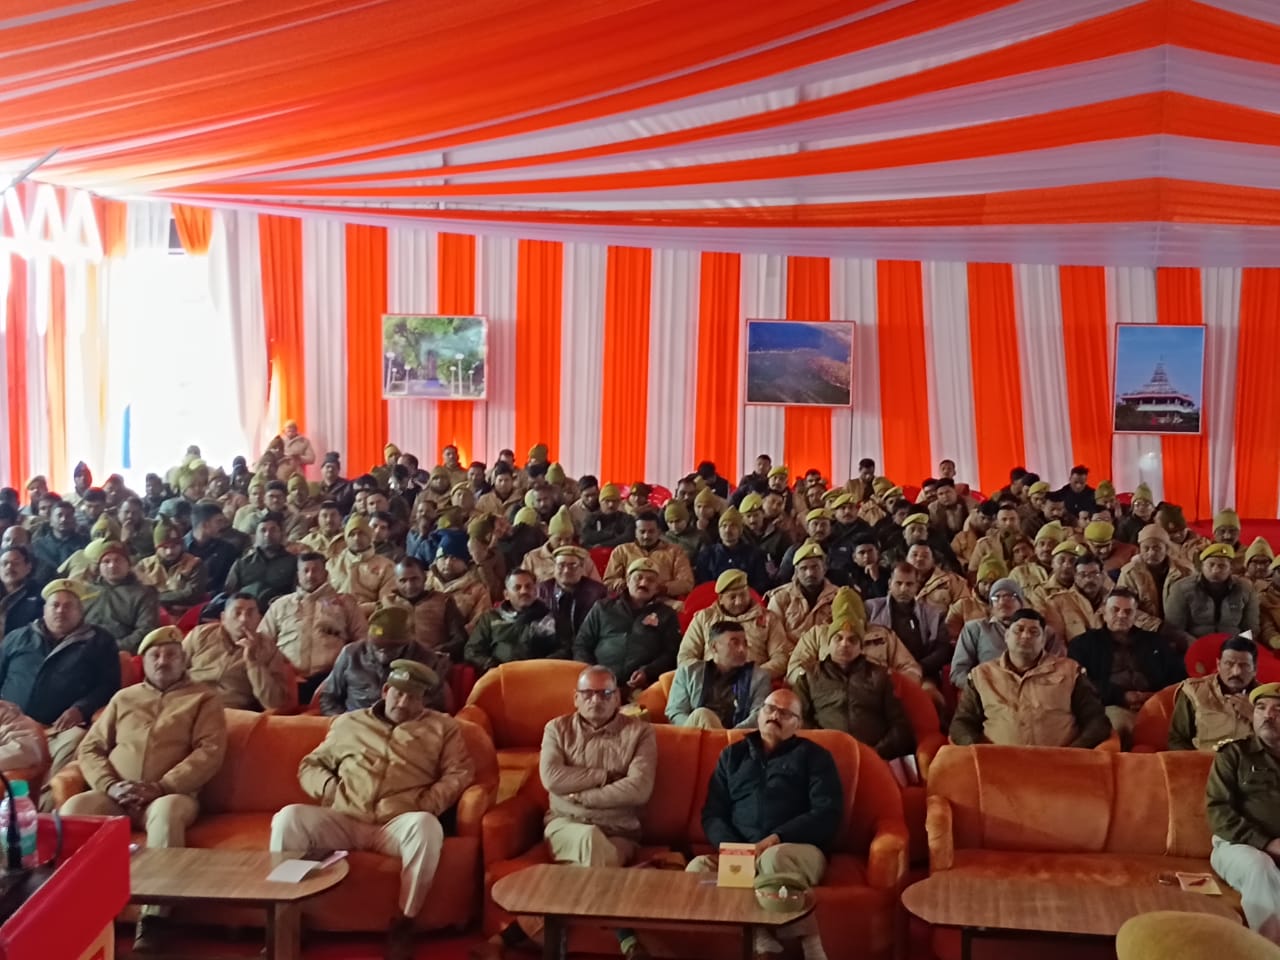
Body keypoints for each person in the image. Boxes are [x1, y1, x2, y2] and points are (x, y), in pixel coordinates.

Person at [271, 660, 474, 960]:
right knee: (289, 818)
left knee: (427, 827)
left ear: (423, 699)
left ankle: (405, 922)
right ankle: (285, 918)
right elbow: (311, 765)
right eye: (399, 694)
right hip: (345, 819)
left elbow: (459, 773)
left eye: (413, 697)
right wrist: (329, 789)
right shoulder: (350, 723)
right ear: (386, 690)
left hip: (396, 824)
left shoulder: (443, 728)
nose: (403, 703)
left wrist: (427, 804)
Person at [62, 625, 227, 951]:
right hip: (116, 795)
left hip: (171, 795)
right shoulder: (124, 698)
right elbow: (90, 748)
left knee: (166, 815)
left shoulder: (203, 699)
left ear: (183, 660)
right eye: (155, 655)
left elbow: (209, 752)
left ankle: (155, 918)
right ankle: (79, 908)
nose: (163, 661)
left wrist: (162, 786)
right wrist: (109, 786)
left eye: (171, 655)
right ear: (145, 662)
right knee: (74, 810)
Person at [481, 665, 656, 960]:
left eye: (605, 693)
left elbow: (638, 789)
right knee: (589, 839)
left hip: (619, 832)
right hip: (565, 825)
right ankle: (626, 937)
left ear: (617, 697)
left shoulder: (640, 732)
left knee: (587, 863)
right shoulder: (557, 729)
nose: (595, 700)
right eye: (588, 693)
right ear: (575, 698)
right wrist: (604, 776)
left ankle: (511, 937)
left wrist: (581, 796)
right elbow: (552, 778)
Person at [689, 688, 840, 960]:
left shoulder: (816, 757)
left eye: (785, 713)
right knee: (696, 869)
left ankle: (811, 947)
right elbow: (712, 813)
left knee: (773, 859)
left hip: (795, 849)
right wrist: (733, 849)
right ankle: (759, 933)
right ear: (758, 715)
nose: (774, 716)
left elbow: (826, 813)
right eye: (769, 709)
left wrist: (776, 838)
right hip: (741, 851)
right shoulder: (732, 756)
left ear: (798, 724)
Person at [950, 609, 1111, 748]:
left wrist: (1074, 753)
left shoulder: (1070, 671)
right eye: (1018, 630)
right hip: (996, 765)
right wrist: (980, 752)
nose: (1026, 636)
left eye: (1034, 632)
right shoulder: (982, 675)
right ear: (1006, 636)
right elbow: (962, 723)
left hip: (1059, 765)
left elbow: (1096, 721)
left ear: (1043, 640)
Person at [1205, 683, 1280, 943]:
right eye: (1261, 708)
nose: (1268, 715)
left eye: (1278, 710)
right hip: (1238, 846)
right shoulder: (1234, 754)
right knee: (1259, 866)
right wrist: (1267, 843)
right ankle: (1268, 951)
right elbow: (1218, 811)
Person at [1067, 589, 1185, 746]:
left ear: (1135, 615)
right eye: (1115, 610)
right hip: (1111, 705)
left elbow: (1178, 676)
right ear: (1103, 612)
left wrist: (1157, 696)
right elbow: (1081, 685)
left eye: (1128, 611)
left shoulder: (1156, 642)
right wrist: (1122, 696)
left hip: (1157, 702)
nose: (1122, 615)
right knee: (1120, 725)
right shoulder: (1083, 644)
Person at [792, 609, 914, 760]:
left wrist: (876, 753)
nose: (845, 644)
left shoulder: (880, 676)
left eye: (852, 640)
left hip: (874, 758)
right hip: (824, 758)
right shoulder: (810, 677)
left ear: (861, 647)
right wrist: (822, 749)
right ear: (828, 643)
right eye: (838, 638)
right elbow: (798, 721)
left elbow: (900, 726)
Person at [260, 553, 367, 703]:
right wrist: (280, 670)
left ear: (326, 573)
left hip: (331, 680)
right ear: (298, 575)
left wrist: (342, 672)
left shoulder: (345, 603)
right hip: (285, 680)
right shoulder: (280, 605)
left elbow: (362, 640)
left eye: (316, 570)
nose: (310, 575)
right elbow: (262, 643)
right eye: (305, 570)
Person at [574, 558, 681, 698]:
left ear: (657, 587)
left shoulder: (667, 614)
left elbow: (672, 653)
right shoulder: (602, 608)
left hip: (645, 687)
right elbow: (581, 645)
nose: (643, 583)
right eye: (638, 578)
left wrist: (648, 672)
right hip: (599, 684)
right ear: (628, 580)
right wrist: (594, 673)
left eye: (650, 580)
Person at [319, 606, 449, 715]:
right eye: (377, 647)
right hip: (356, 723)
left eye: (391, 649)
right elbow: (328, 697)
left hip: (405, 725)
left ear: (407, 643)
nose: (383, 654)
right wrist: (342, 721)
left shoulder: (427, 659)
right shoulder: (351, 654)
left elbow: (435, 706)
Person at [183, 592, 296, 711]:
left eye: (250, 613)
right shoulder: (201, 634)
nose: (244, 619)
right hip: (189, 703)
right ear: (223, 618)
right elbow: (175, 671)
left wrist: (254, 663)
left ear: (259, 619)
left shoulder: (268, 649)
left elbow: (275, 703)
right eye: (237, 613)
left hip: (230, 713)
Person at [787, 586, 922, 685]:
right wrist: (815, 682)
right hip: (828, 693)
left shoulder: (884, 635)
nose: (845, 643)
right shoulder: (816, 634)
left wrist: (892, 683)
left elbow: (911, 668)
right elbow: (794, 668)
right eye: (839, 639)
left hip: (875, 693)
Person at [951, 578, 1065, 688]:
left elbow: (1059, 668)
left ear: (1021, 602)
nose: (1002, 602)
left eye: (1009, 596)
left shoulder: (1043, 632)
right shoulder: (975, 629)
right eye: (996, 597)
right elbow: (958, 672)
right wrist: (982, 688)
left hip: (1036, 692)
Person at [677, 569, 790, 678]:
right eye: (732, 597)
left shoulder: (769, 618)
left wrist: (753, 675)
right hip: (710, 681)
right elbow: (685, 656)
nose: (739, 602)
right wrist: (710, 674)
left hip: (753, 682)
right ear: (721, 598)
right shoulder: (703, 618)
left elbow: (781, 657)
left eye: (743, 595)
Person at [666, 622, 770, 729]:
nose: (742, 649)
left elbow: (759, 713)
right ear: (714, 647)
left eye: (745, 644)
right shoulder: (688, 673)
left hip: (735, 735)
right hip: (695, 734)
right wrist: (698, 727)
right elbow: (675, 712)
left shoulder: (759, 677)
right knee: (702, 715)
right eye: (735, 643)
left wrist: (731, 735)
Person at [1169, 634, 1258, 751]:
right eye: (1229, 664)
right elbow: (1177, 740)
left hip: (1251, 760)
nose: (1236, 672)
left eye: (1244, 665)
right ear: (1218, 665)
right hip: (1206, 759)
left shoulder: (1267, 697)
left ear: (1254, 669)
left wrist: (1255, 716)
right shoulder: (1194, 691)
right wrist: (1195, 760)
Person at [865, 563, 948, 685]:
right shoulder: (871, 609)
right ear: (890, 584)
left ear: (917, 586)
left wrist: (918, 669)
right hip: (879, 674)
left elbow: (943, 649)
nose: (904, 589)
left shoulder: (934, 614)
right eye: (898, 583)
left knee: (930, 694)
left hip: (922, 674)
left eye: (909, 584)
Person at [464, 570, 562, 672]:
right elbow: (472, 650)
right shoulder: (490, 618)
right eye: (517, 588)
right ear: (506, 594)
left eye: (528, 587)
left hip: (540, 674)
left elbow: (564, 648)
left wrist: (544, 666)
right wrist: (491, 666)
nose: (524, 591)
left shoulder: (550, 617)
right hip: (501, 674)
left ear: (535, 591)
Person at [1165, 544, 1261, 639]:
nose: (1216, 570)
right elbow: (1174, 628)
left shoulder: (1245, 589)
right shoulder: (1181, 588)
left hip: (1232, 643)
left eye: (1222, 566)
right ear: (1202, 566)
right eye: (1211, 565)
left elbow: (1251, 628)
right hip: (1194, 642)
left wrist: (1237, 645)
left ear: (1230, 569)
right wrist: (1194, 644)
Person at [81, 540, 160, 654]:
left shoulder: (144, 593)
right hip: (83, 649)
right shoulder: (84, 591)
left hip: (121, 653)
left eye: (118, 560)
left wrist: (113, 648)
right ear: (99, 567)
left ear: (128, 565)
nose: (112, 565)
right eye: (106, 561)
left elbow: (146, 630)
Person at [382, 557, 468, 660]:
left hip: (434, 660)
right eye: (403, 580)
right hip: (396, 662)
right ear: (395, 582)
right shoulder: (387, 603)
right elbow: (376, 635)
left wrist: (436, 652)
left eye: (414, 579)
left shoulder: (443, 601)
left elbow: (459, 638)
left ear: (425, 577)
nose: (409, 586)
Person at [1116, 523, 1192, 634]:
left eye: (1157, 548)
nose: (1151, 553)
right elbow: (1126, 607)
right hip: (1142, 630)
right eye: (1146, 548)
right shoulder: (1130, 573)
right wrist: (1157, 626)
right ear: (1140, 549)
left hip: (1180, 628)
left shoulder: (1184, 571)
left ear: (1166, 549)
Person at [604, 511, 695, 599]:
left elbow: (687, 583)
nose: (646, 536)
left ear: (659, 532)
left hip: (662, 600)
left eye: (651, 531)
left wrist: (660, 588)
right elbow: (609, 581)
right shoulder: (622, 550)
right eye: (642, 531)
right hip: (629, 599)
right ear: (635, 532)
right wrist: (623, 584)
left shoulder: (675, 551)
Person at [134, 521, 209, 618]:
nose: (169, 551)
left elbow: (192, 594)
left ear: (181, 545)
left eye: (174, 546)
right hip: (151, 617)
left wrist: (157, 598)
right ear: (156, 548)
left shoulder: (194, 564)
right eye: (164, 547)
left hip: (184, 617)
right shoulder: (144, 566)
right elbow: (137, 595)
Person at [222, 512, 296, 609]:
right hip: (245, 611)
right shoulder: (242, 563)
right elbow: (229, 593)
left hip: (280, 610)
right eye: (263, 530)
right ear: (255, 536)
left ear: (282, 534)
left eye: (273, 530)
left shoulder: (293, 562)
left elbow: (297, 595)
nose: (268, 534)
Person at [766, 542, 838, 640]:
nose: (810, 573)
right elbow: (775, 639)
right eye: (803, 568)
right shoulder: (780, 597)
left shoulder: (838, 596)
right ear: (796, 572)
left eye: (815, 567)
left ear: (824, 569)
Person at [424, 531, 492, 634]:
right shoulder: (423, 580)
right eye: (444, 557)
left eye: (455, 558)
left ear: (466, 563)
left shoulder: (478, 591)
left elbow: (478, 626)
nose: (448, 563)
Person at [327, 515, 396, 614]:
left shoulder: (386, 566)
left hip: (370, 617)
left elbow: (387, 602)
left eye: (361, 533)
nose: (356, 538)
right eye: (352, 534)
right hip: (336, 615)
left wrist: (359, 610)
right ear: (346, 538)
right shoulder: (332, 564)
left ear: (370, 536)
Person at [694, 507, 770, 594]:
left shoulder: (754, 554)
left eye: (733, 526)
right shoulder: (707, 555)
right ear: (719, 530)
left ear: (740, 530)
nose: (727, 530)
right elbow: (703, 585)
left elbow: (760, 584)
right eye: (724, 526)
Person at [185, 503, 241, 594]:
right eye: (219, 522)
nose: (223, 525)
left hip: (215, 598)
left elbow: (229, 582)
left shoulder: (227, 549)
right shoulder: (179, 547)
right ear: (205, 525)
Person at [32, 501, 88, 576]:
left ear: (75, 520)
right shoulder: (38, 545)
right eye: (59, 515)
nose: (63, 519)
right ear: (51, 521)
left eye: (68, 516)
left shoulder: (85, 542)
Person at [0, 546, 43, 635]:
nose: (9, 567)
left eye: (16, 563)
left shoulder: (40, 594)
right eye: (4, 563)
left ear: (28, 567)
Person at [580, 484, 634, 548]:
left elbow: (628, 538)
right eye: (607, 501)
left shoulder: (627, 519)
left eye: (615, 501)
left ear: (619, 502)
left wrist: (603, 545)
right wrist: (611, 534)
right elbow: (586, 537)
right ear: (600, 502)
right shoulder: (591, 518)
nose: (611, 505)